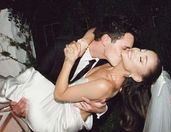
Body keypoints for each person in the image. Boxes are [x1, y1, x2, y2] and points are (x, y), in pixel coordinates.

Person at [0, 34, 161, 131]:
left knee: (20, 87)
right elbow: (94, 30)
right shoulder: (112, 62)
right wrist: (83, 41)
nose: (135, 51)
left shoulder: (107, 85)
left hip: (53, 119)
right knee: (25, 83)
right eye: (142, 50)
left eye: (141, 59)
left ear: (137, 77)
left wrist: (70, 60)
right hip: (55, 104)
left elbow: (60, 94)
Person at [10, 16, 136, 122]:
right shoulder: (60, 48)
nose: (126, 54)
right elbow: (33, 80)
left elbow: (106, 109)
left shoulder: (110, 68)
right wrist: (20, 104)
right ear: (105, 39)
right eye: (125, 48)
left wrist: (101, 109)